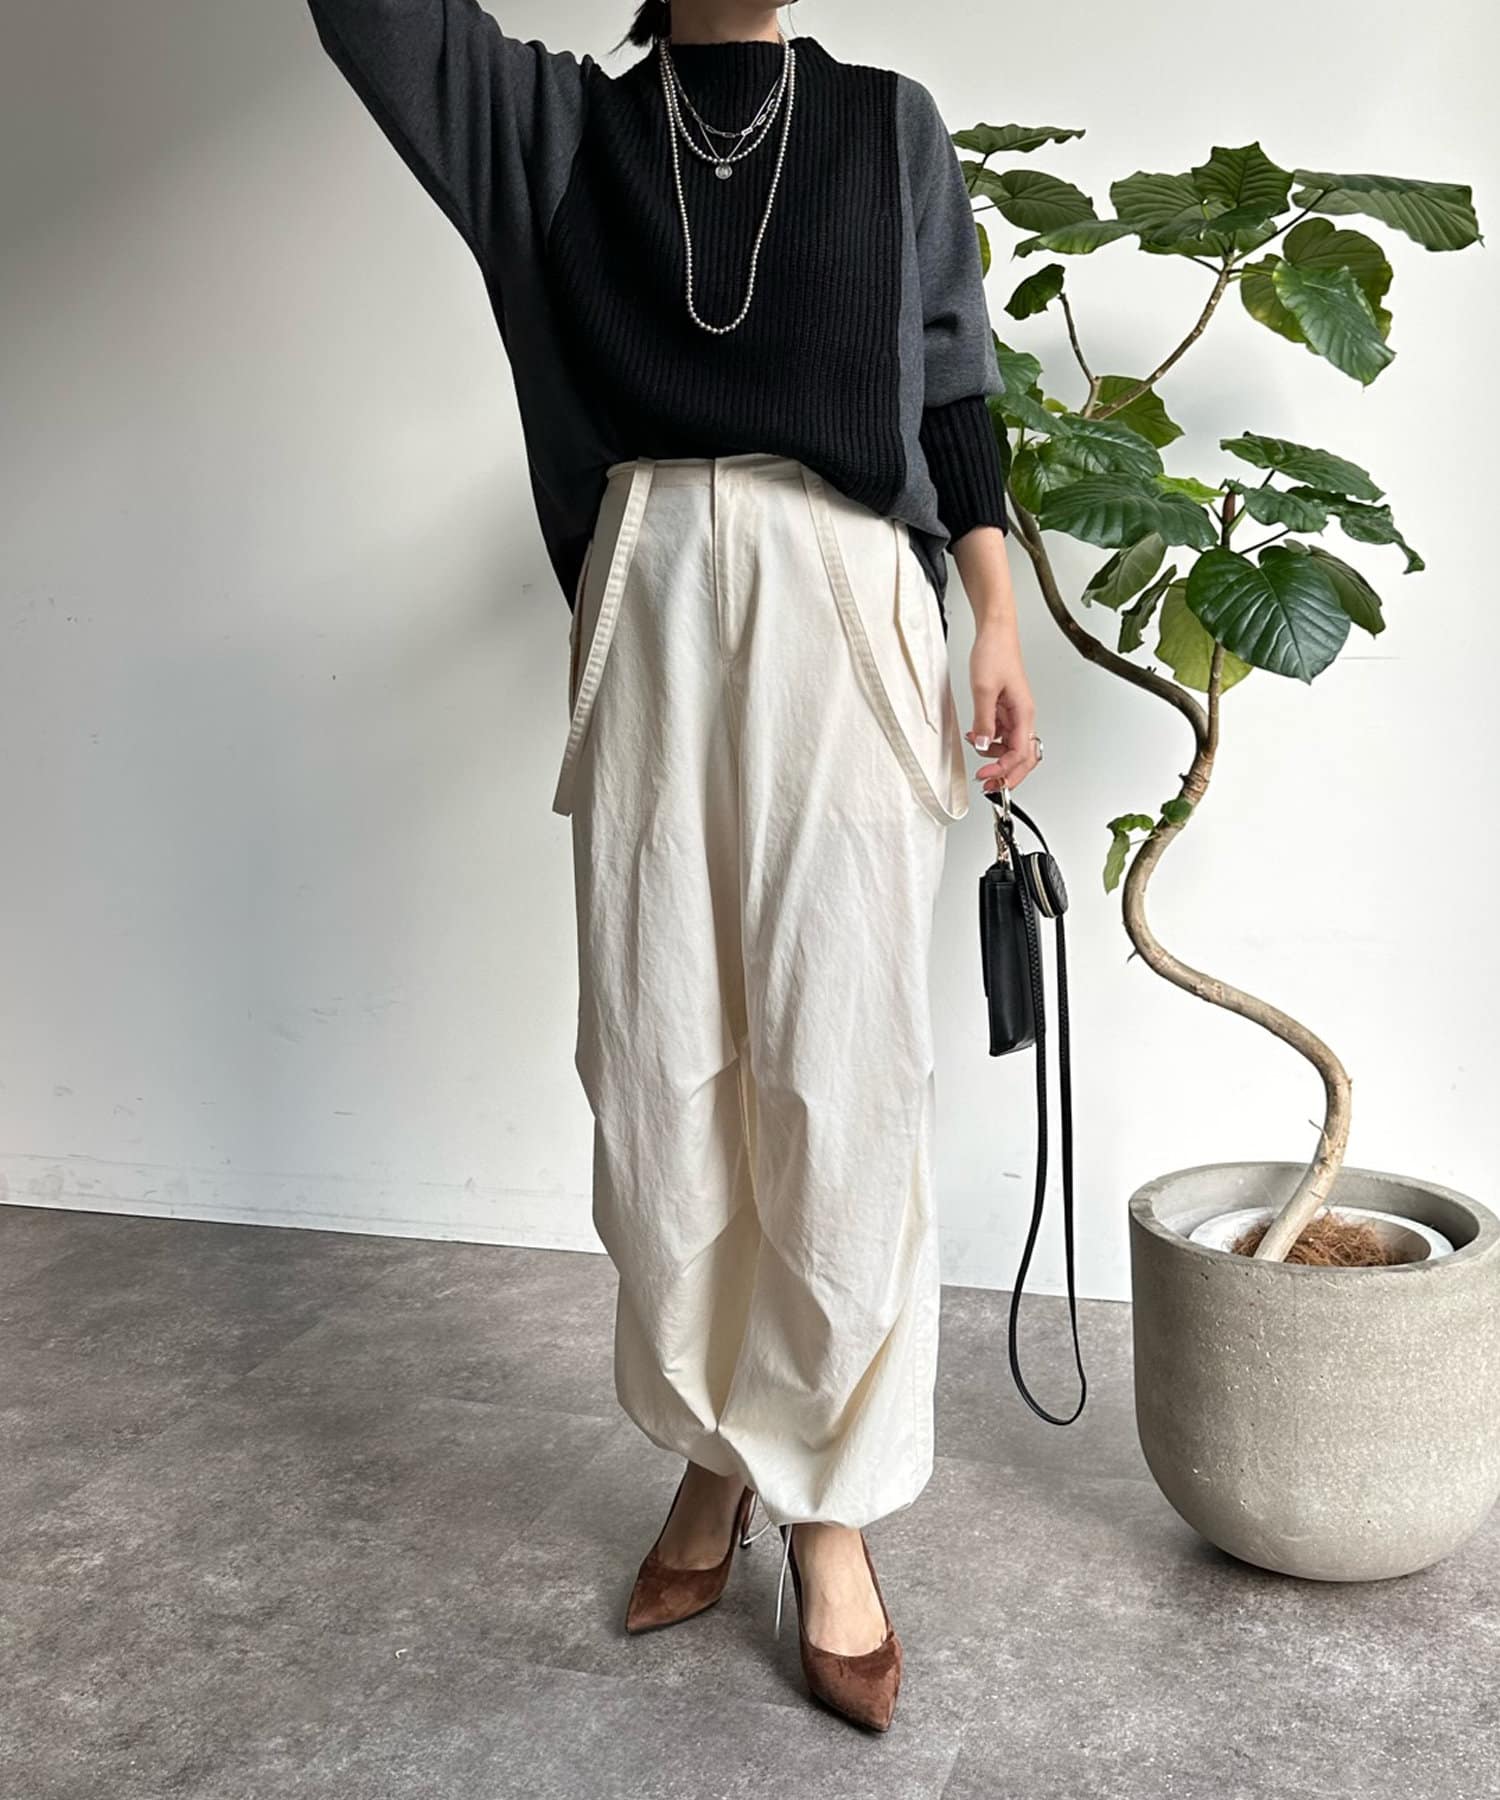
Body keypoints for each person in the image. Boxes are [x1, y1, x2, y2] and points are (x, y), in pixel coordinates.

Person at [304, 0, 1039, 1733]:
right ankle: (717, 1445)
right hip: (646, 602)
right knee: (655, 1067)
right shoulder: (553, 134)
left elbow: (951, 381)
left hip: (846, 597)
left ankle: (829, 1509)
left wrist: (998, 613)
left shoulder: (888, 126)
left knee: (842, 1067)